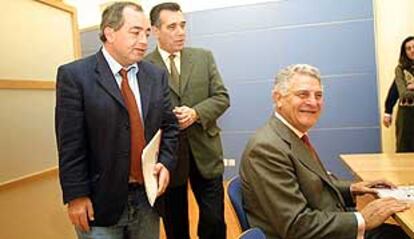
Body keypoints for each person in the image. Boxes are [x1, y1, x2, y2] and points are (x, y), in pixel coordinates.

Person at [240, 64, 410, 239]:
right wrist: (362, 219)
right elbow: (296, 226)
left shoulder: (290, 135)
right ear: (278, 98)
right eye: (303, 94)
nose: (313, 102)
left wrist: (353, 188)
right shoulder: (267, 148)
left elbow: (310, 184)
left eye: (318, 95)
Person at [55, 2, 178, 238]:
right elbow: (70, 143)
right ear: (109, 33)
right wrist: (76, 196)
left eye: (147, 33)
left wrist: (166, 162)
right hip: (99, 202)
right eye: (135, 32)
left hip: (147, 199)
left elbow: (169, 126)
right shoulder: (75, 76)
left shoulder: (155, 76)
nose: (144, 40)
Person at [145, 2, 230, 239]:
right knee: (175, 223)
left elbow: (222, 97)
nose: (180, 32)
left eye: (182, 25)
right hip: (169, 159)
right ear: (154, 31)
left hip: (206, 153)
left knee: (214, 221)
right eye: (172, 27)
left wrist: (196, 113)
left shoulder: (204, 58)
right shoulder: (143, 67)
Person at [394, 36, 414, 152]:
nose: (412, 50)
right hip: (406, 116)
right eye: (408, 48)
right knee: (404, 152)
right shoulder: (400, 69)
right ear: (404, 52)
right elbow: (403, 94)